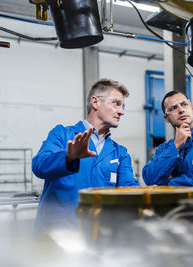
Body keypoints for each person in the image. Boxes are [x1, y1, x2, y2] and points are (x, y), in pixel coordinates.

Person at [32, 78, 139, 232]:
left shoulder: (120, 153)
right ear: (95, 102)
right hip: (58, 233)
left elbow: (128, 188)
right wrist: (69, 157)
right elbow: (39, 166)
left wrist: (147, 194)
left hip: (99, 235)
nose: (121, 111)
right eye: (116, 103)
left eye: (122, 106)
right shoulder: (62, 134)